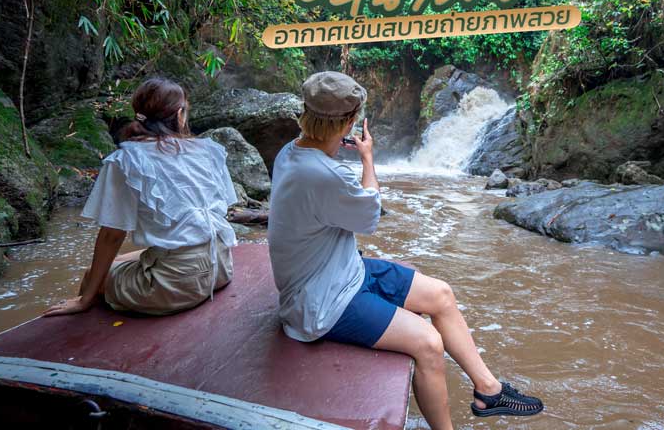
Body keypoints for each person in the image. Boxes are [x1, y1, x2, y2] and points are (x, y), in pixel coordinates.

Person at [268, 71, 543, 429]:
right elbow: (370, 215)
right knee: (428, 344)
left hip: (343, 272)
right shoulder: (325, 175)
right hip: (321, 302)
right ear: (349, 123)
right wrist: (368, 158)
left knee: (441, 295)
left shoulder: (291, 152)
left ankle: (488, 390)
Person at [43, 77, 239, 317]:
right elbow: (221, 210)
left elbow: (112, 236)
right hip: (221, 268)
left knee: (93, 275)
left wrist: (85, 298)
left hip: (174, 286)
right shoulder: (210, 151)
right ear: (180, 115)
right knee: (127, 258)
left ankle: (86, 313)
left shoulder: (126, 161)